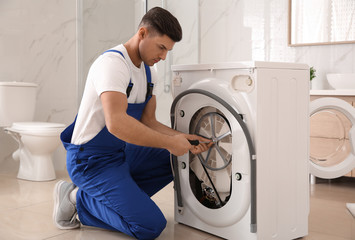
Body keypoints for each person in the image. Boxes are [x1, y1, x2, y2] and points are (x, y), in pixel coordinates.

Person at [52, 7, 212, 240]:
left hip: (120, 153)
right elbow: (116, 124)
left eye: (168, 50)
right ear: (143, 33)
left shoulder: (149, 72)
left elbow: (149, 121)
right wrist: (170, 143)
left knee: (177, 156)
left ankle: (119, 199)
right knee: (150, 226)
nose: (164, 56)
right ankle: (76, 198)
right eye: (161, 47)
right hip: (90, 161)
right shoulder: (112, 64)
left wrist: (183, 139)